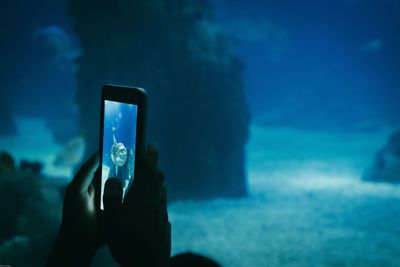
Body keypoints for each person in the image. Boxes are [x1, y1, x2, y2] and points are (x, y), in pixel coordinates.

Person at [46, 143, 170, 267]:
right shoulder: (109, 170)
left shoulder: (124, 171)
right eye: (119, 152)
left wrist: (76, 243)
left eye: (123, 152)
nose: (122, 154)